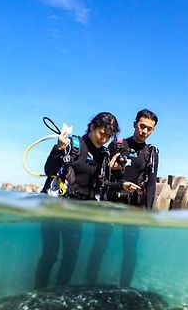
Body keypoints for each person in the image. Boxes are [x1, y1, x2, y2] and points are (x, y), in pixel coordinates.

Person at [35, 112, 120, 289]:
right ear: (92, 127)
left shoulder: (103, 156)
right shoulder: (73, 145)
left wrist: (120, 183)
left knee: (71, 256)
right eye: (102, 133)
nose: (104, 139)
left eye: (108, 137)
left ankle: (59, 294)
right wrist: (58, 148)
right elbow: (49, 169)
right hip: (54, 208)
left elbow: (102, 185)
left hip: (78, 211)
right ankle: (37, 293)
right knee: (50, 254)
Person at [85, 109, 159, 287]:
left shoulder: (151, 152)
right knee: (99, 246)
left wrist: (147, 213)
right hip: (110, 203)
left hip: (133, 208)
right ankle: (89, 285)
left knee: (130, 251)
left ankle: (124, 288)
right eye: (142, 126)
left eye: (149, 129)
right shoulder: (117, 145)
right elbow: (101, 176)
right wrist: (113, 169)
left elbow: (151, 184)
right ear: (135, 124)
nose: (145, 131)